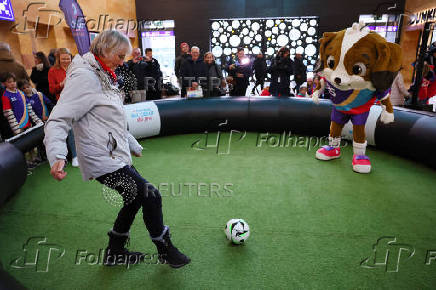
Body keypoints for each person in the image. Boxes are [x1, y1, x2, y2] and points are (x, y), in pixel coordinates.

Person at [44, 30, 190, 268]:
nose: (123, 62)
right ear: (104, 50)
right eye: (120, 56)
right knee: (150, 194)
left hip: (113, 153)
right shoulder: (85, 77)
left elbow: (111, 119)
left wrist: (131, 144)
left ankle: (115, 252)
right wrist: (57, 155)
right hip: (101, 158)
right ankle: (165, 250)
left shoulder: (103, 74)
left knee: (133, 199)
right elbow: (58, 119)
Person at [48, 48, 78, 167]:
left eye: (68, 58)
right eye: (63, 58)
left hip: (79, 101)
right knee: (70, 130)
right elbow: (51, 89)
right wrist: (61, 84)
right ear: (58, 59)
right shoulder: (53, 71)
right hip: (64, 103)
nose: (66, 60)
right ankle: (75, 156)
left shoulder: (75, 68)